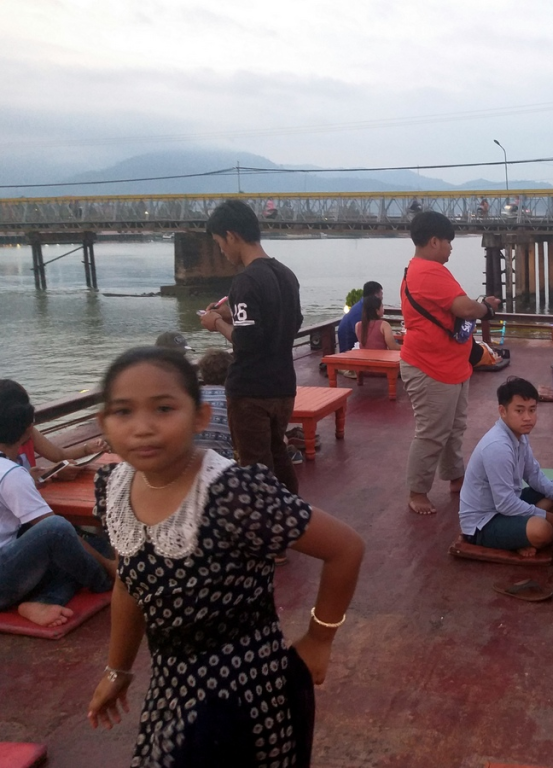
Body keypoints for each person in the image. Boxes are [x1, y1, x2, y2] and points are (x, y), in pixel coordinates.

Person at [86, 347, 365, 766]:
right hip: (172, 685)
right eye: (123, 412)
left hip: (248, 690)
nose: (142, 427)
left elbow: (345, 547)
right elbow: (129, 581)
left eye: (163, 408)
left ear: (198, 416)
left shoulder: (232, 492)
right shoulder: (114, 487)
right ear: (103, 423)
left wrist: (320, 638)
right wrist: (118, 670)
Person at [400, 212, 501, 516]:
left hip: (449, 364)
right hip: (431, 367)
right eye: (448, 242)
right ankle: (417, 491)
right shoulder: (429, 272)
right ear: (434, 241)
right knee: (432, 432)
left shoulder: (421, 270)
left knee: (453, 428)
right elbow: (465, 307)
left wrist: (479, 307)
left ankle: (456, 477)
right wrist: (486, 308)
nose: (451, 248)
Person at [200, 200, 304, 494]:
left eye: (220, 243)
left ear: (232, 236)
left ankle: (264, 530)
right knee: (279, 453)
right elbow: (286, 322)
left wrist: (215, 324)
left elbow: (247, 341)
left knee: (255, 467)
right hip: (283, 385)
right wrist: (231, 314)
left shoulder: (245, 281)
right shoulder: (286, 274)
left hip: (250, 391)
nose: (222, 251)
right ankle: (293, 515)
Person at [0, 385, 114, 628]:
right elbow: (57, 531)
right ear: (28, 428)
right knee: (59, 529)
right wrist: (109, 567)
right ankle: (101, 580)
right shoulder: (10, 475)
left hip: (7, 558)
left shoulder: (11, 472)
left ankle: (41, 599)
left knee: (90, 544)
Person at [459, 377, 553, 556]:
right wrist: (550, 517)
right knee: (543, 531)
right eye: (519, 410)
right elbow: (505, 504)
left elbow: (533, 475)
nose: (528, 418)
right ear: (502, 411)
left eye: (532, 410)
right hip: (484, 521)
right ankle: (515, 537)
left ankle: (518, 534)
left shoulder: (519, 434)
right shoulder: (497, 447)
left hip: (506, 505)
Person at [0, 380, 107, 476]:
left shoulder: (27, 431)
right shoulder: (23, 431)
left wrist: (87, 449)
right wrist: (50, 472)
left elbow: (59, 455)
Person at [195, 348, 235, 460]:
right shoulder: (232, 400)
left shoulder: (193, 398)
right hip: (224, 462)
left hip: (192, 461)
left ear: (202, 374)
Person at [338, 280, 384, 353]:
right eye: (381, 293)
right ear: (376, 295)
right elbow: (366, 338)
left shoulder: (364, 307)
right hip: (349, 351)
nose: (382, 297)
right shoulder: (360, 311)